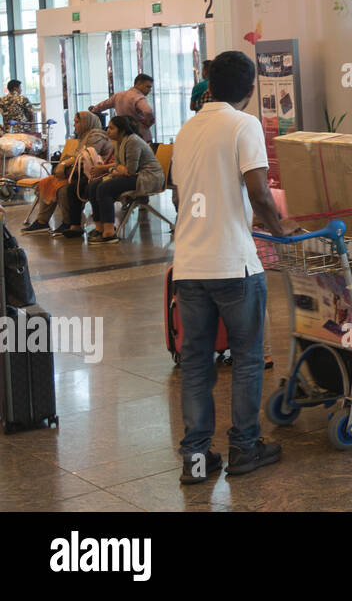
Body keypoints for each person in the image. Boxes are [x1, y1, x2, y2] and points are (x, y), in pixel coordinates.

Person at [172, 49, 297, 485]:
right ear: (249, 89)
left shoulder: (187, 130)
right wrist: (281, 232)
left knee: (196, 362)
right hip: (234, 265)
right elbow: (260, 193)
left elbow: (177, 198)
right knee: (246, 358)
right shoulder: (244, 125)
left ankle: (197, 458)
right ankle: (244, 448)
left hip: (188, 265)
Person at [23, 111, 113, 235]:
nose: (74, 125)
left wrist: (63, 166)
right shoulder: (84, 137)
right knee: (47, 182)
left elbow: (85, 158)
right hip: (80, 173)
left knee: (64, 188)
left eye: (77, 122)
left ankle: (69, 223)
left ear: (87, 123)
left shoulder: (96, 136)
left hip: (93, 173)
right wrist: (64, 166)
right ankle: (42, 222)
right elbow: (77, 158)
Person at [82, 116, 165, 244]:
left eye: (111, 128)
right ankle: (99, 228)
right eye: (108, 128)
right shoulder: (119, 142)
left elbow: (130, 170)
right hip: (134, 175)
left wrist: (114, 169)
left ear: (122, 130)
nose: (107, 131)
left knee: (104, 188)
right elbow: (120, 166)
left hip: (148, 177)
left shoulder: (133, 141)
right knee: (93, 186)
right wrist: (117, 169)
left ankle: (109, 232)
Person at [90, 73, 155, 142]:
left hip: (122, 135)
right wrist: (148, 122)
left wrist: (93, 110)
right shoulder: (138, 97)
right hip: (140, 135)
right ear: (138, 84)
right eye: (148, 87)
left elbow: (102, 105)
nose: (150, 90)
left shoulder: (118, 95)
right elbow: (147, 111)